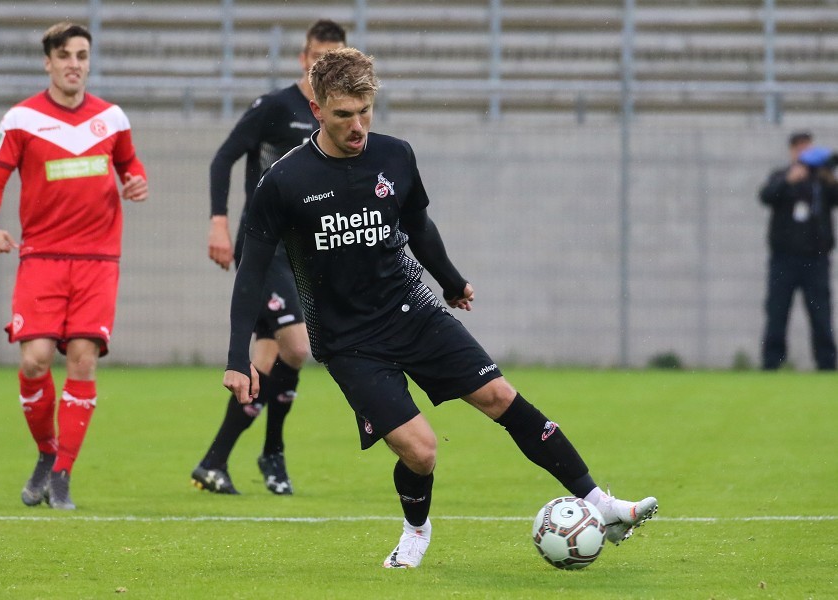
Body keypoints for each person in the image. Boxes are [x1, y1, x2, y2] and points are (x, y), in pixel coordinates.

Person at [222, 47, 657, 568]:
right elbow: (250, 272)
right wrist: (235, 355)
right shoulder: (285, 182)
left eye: (365, 111)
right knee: (421, 450)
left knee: (500, 395)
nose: (358, 125)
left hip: (414, 312)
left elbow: (418, 227)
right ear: (317, 109)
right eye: (343, 115)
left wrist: (451, 282)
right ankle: (415, 529)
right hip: (349, 341)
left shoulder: (395, 156)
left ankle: (600, 504)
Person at [0, 22, 149, 510]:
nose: (75, 63)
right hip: (42, 257)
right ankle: (48, 453)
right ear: (48, 62)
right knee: (34, 359)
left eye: (82, 55)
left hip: (97, 259)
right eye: (66, 55)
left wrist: (136, 181)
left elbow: (130, 165)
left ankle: (63, 475)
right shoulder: (21, 119)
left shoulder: (111, 118)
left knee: (82, 357)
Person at [191, 19, 347, 496]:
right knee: (298, 348)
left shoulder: (341, 116)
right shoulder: (275, 107)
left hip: (307, 253)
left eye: (335, 58)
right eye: (319, 57)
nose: (325, 65)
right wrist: (218, 221)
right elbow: (223, 158)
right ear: (304, 59)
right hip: (265, 249)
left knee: (266, 358)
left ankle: (214, 462)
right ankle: (273, 452)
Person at [759, 131, 838, 370]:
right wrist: (789, 180)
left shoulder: (822, 179)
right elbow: (765, 196)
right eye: (799, 148)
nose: (804, 153)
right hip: (784, 258)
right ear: (792, 151)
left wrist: (829, 175)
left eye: (808, 148)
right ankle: (772, 362)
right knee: (777, 311)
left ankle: (827, 363)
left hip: (816, 259)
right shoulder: (781, 175)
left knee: (821, 314)